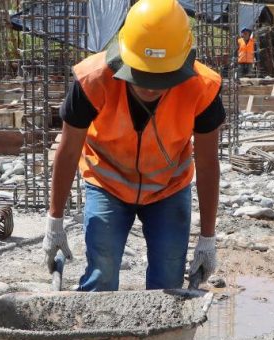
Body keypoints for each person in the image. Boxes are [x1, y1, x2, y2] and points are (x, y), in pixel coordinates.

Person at [42, 0, 224, 294]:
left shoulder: (202, 89)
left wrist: (207, 238)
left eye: (161, 77)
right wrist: (55, 221)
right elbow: (68, 150)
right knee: (102, 270)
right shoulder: (93, 80)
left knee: (168, 282)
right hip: (107, 185)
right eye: (142, 75)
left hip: (169, 189)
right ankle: (96, 337)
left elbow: (206, 164)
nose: (151, 87)